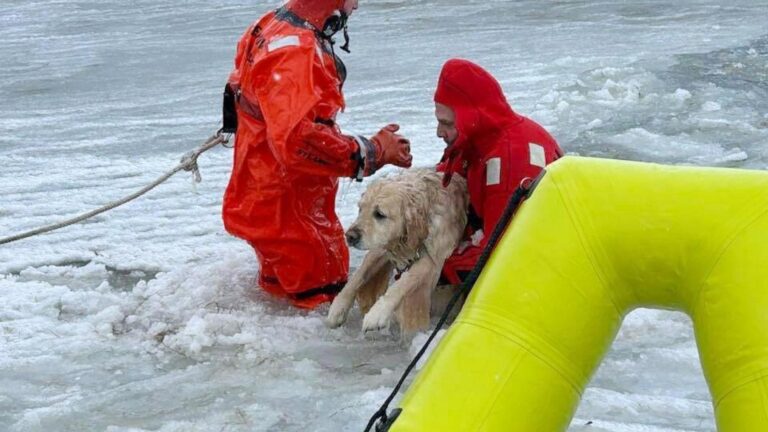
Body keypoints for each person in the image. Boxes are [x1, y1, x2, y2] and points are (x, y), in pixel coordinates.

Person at [221, 0, 412, 309]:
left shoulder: (272, 24)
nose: (357, 6)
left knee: (280, 300)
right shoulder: (297, 53)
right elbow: (298, 143)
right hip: (293, 212)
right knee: (323, 305)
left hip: (260, 196)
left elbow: (236, 89)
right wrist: (372, 152)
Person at [434, 59, 564, 285]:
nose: (439, 132)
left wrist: (431, 267)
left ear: (470, 116)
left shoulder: (511, 158)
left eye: (446, 123)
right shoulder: (473, 142)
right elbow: (439, 183)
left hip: (541, 271)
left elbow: (500, 254)